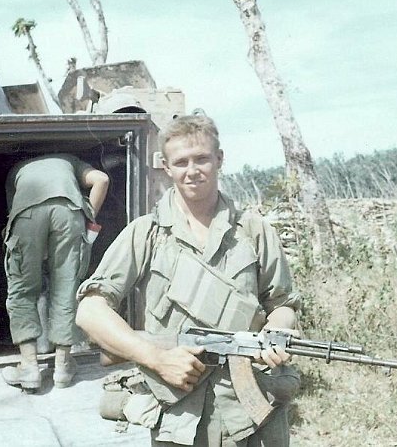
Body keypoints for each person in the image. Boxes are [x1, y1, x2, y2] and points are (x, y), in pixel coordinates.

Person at [75, 113, 301, 446]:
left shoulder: (254, 232)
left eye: (202, 159)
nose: (192, 171)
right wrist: (155, 358)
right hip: (181, 418)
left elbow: (283, 304)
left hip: (252, 412)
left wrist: (278, 329)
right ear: (166, 167)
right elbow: (90, 310)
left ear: (219, 160)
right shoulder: (146, 233)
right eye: (181, 162)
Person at [1, 154, 109, 390]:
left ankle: (29, 367)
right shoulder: (70, 160)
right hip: (69, 213)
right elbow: (101, 179)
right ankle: (62, 366)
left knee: (22, 288)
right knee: (65, 287)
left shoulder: (17, 168)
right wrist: (89, 217)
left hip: (27, 214)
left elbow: (15, 213)